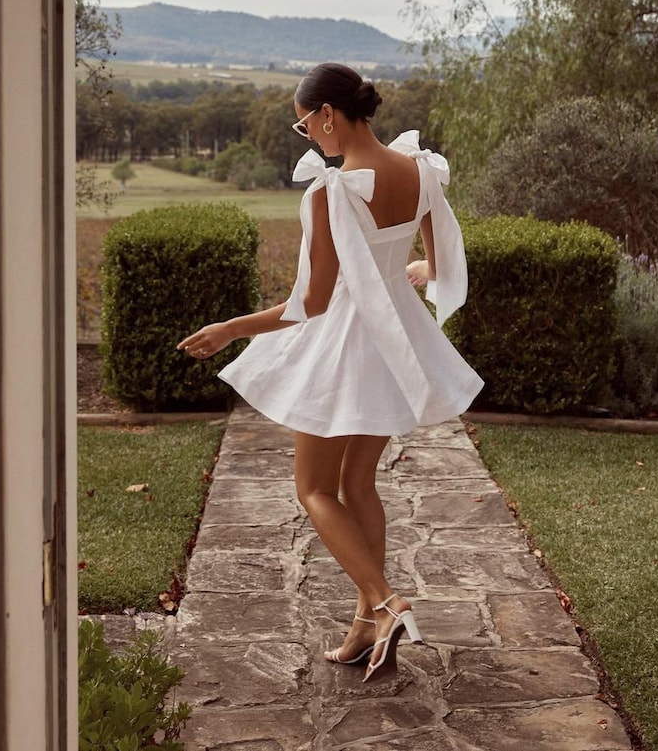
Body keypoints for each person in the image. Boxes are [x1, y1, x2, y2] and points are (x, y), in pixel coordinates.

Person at [177, 62, 483, 682]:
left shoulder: (330, 192)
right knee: (359, 484)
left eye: (304, 126)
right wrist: (416, 272)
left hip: (344, 346)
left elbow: (312, 304)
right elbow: (433, 252)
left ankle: (387, 602)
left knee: (315, 490)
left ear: (327, 115)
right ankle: (365, 626)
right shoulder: (421, 173)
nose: (308, 137)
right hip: (394, 345)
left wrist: (231, 329)